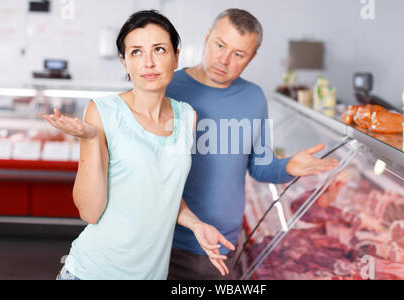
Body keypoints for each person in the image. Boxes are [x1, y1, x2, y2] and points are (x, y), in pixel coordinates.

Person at [44, 10, 234, 280]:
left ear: (176, 57)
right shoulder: (102, 111)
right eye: (136, 52)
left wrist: (196, 224)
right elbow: (89, 211)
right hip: (94, 272)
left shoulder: (187, 116)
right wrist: (90, 140)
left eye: (159, 50)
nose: (148, 62)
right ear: (124, 62)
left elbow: (160, 191)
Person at [166, 8, 339, 280]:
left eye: (238, 54)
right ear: (207, 37)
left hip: (223, 246)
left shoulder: (253, 97)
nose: (223, 59)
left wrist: (289, 166)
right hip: (166, 242)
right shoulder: (168, 87)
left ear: (252, 58)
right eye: (219, 45)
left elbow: (261, 167)